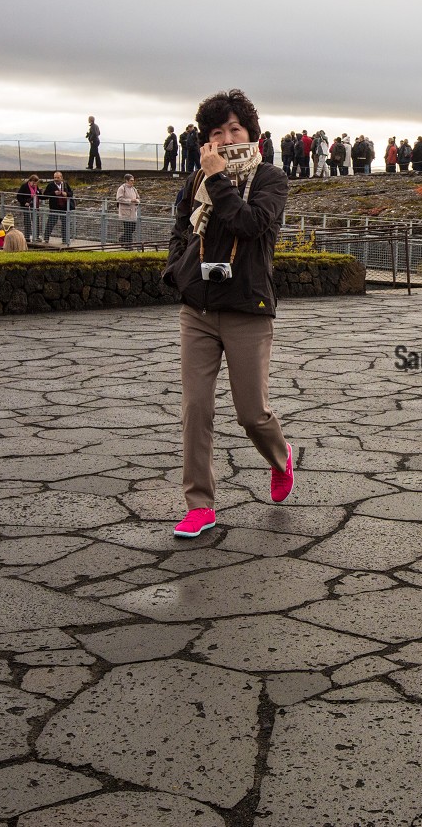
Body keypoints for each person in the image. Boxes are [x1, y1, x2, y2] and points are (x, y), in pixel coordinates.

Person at [161, 88, 294, 538]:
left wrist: (218, 180)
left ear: (251, 134)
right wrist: (178, 268)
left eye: (234, 129)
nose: (225, 137)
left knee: (251, 412)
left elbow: (251, 224)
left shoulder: (271, 178)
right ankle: (199, 504)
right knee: (195, 408)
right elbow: (181, 225)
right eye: (216, 132)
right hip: (197, 308)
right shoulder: (195, 181)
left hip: (247, 308)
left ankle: (281, 458)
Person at [43, 171, 75, 244]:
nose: (56, 179)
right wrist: (54, 193)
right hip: (54, 207)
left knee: (65, 224)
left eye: (58, 177)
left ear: (61, 178)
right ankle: (46, 238)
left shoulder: (65, 184)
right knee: (51, 223)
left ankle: (65, 240)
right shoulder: (50, 185)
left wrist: (66, 194)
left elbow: (71, 193)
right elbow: (45, 195)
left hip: (64, 207)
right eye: (55, 177)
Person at [16, 173, 44, 242]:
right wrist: (24, 202)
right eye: (34, 183)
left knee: (36, 221)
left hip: (35, 207)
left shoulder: (36, 187)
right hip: (26, 207)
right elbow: (19, 196)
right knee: (27, 221)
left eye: (36, 183)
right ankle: (27, 237)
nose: (35, 185)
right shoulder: (24, 186)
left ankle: (36, 236)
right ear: (30, 181)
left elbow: (40, 195)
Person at [117, 173, 141, 246]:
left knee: (132, 228)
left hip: (133, 212)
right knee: (127, 229)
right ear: (127, 180)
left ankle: (122, 240)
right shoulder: (122, 188)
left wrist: (137, 201)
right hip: (126, 212)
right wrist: (130, 200)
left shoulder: (134, 189)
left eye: (133, 180)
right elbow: (119, 199)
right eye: (131, 180)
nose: (132, 182)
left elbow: (138, 197)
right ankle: (129, 245)